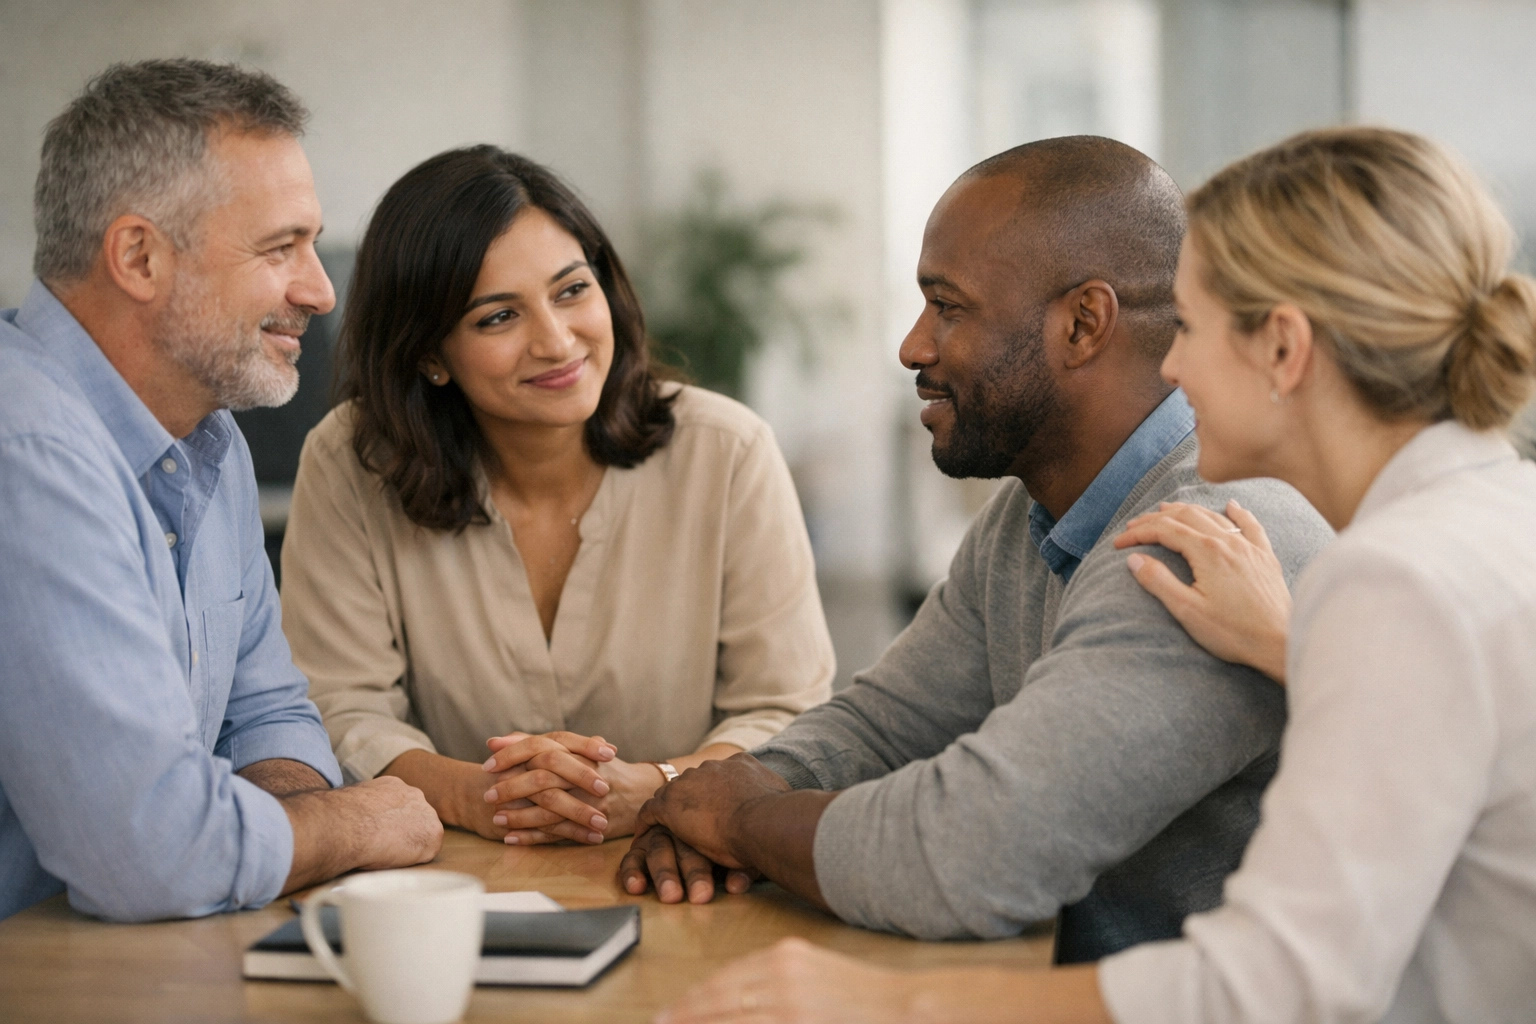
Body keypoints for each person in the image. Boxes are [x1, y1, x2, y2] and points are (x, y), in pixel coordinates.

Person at [659, 127, 1536, 1024]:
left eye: (1189, 327)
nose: (1171, 364)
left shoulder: (1372, 573)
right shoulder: (1481, 523)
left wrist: (893, 999)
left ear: (1283, 348)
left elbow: (1267, 985)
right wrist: (1297, 651)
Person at [618, 136, 1334, 962]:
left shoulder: (1196, 541)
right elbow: (888, 726)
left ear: (1083, 323)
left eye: (948, 307)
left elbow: (962, 854)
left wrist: (735, 823)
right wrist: (727, 794)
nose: (913, 347)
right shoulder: (1028, 515)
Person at [278, 146, 833, 847]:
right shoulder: (350, 461)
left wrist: (664, 786)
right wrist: (475, 794)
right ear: (428, 354)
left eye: (572, 290)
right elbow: (338, 702)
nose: (557, 341)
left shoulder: (728, 452)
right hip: (452, 875)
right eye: (498, 318)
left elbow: (787, 707)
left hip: (686, 867)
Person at [0, 60, 442, 924]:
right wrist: (349, 824)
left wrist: (277, 818)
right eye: (281, 248)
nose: (320, 292)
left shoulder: (210, 440)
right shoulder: (29, 452)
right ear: (138, 256)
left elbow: (267, 709)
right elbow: (149, 854)